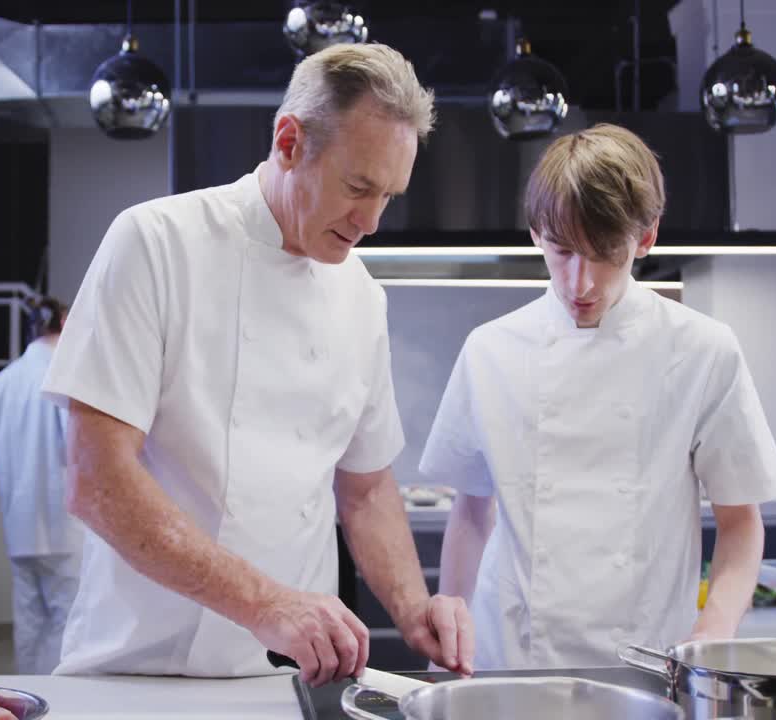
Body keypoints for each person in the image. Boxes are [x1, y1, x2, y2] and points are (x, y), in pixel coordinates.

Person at [42, 43, 472, 687]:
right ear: (290, 141)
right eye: (358, 187)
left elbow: (367, 487)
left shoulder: (361, 297)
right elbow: (97, 480)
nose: (373, 221)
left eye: (389, 195)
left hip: (284, 680)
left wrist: (413, 608)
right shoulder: (156, 243)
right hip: (136, 671)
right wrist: (267, 604)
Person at [422, 123, 776, 670]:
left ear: (646, 237)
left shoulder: (702, 351)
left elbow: (740, 523)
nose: (580, 284)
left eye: (605, 254)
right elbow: (472, 514)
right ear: (535, 235)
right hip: (511, 662)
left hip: (645, 665)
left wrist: (712, 632)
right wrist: (449, 647)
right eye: (562, 251)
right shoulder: (490, 351)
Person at [0, 297, 84, 675]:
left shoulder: (4, 380)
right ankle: (58, 706)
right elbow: (83, 451)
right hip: (62, 525)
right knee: (66, 619)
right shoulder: (68, 376)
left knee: (28, 618)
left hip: (18, 524)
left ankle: (28, 701)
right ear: (66, 321)